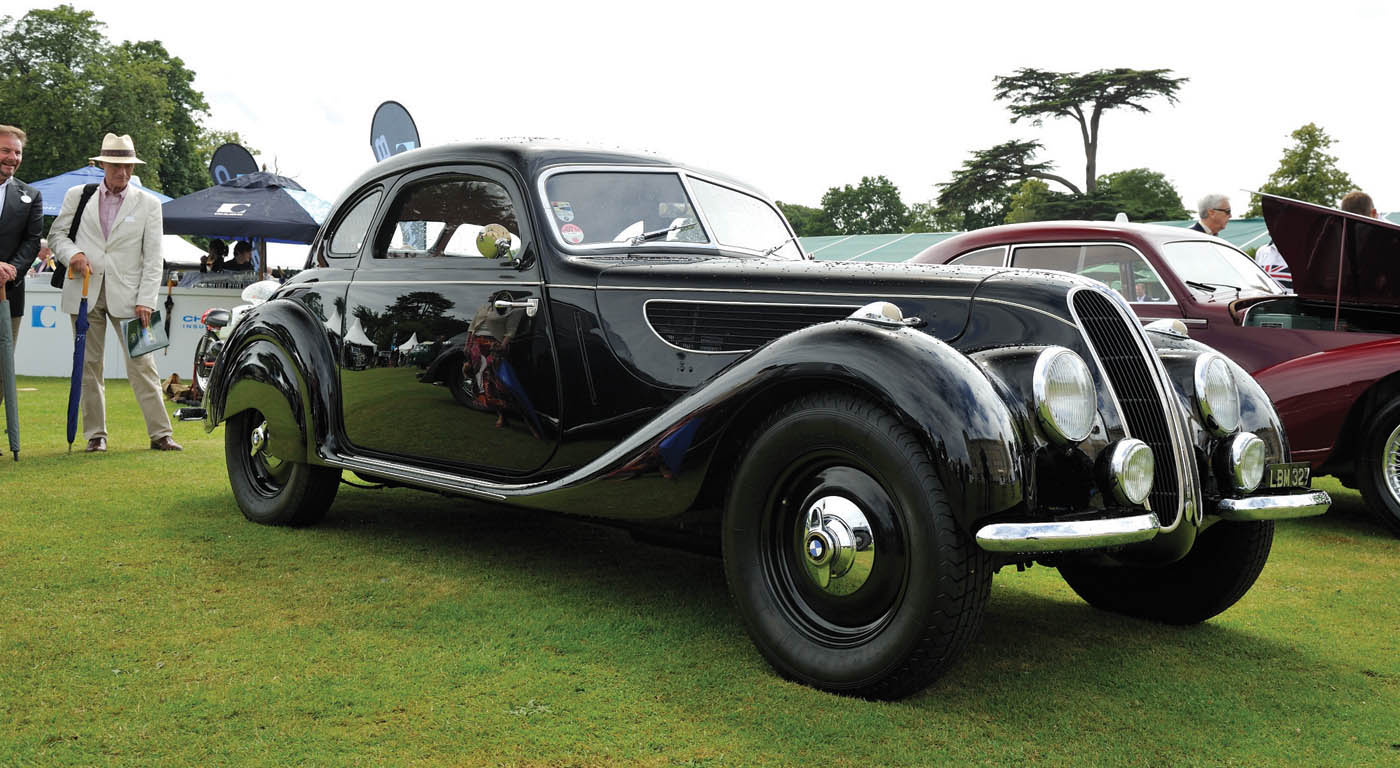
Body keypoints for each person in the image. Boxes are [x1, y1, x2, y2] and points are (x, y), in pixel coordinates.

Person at [49, 133, 181, 453]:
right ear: (102, 165)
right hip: (83, 292)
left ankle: (161, 434)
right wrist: (73, 255)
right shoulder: (78, 195)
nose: (122, 173)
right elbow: (57, 236)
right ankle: (96, 435)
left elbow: (153, 258)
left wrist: (146, 300)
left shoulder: (149, 204)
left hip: (134, 299)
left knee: (144, 365)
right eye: (116, 166)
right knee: (89, 365)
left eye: (128, 167)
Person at [0, 125, 44, 346]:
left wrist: (9, 272)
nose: (12, 158)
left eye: (17, 153)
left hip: (9, 294)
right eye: (5, 150)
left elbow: (32, 241)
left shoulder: (31, 195)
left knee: (3, 371)